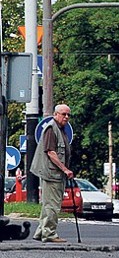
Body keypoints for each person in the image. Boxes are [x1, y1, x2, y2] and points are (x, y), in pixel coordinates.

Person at [31, 104, 74, 243]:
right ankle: (49, 233)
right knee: (52, 205)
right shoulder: (51, 128)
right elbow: (51, 152)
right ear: (56, 114)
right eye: (63, 114)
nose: (66, 117)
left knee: (48, 204)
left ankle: (41, 232)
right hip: (52, 174)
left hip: (55, 174)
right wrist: (65, 169)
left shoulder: (60, 129)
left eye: (68, 115)